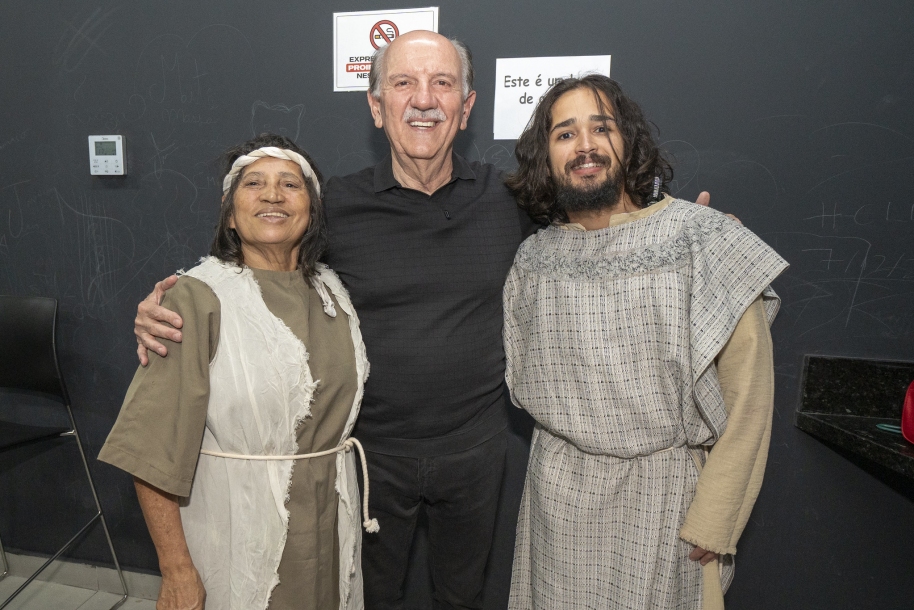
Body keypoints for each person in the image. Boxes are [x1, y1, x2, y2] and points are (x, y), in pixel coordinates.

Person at [132, 32, 713, 610]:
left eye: (442, 83)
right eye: (403, 83)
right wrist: (167, 304)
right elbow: (256, 259)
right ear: (376, 107)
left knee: (463, 598)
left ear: (466, 107)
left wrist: (681, 233)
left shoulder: (511, 200)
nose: (423, 99)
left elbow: (600, 215)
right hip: (366, 458)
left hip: (478, 452)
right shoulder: (331, 206)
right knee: (367, 598)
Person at [501, 74, 788, 610]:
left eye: (601, 127)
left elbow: (750, 394)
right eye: (565, 134)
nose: (584, 145)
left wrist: (716, 516)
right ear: (547, 155)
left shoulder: (701, 237)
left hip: (664, 500)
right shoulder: (533, 260)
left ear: (627, 140)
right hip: (556, 500)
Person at [100, 133, 373, 610]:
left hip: (329, 522)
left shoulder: (332, 291)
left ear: (312, 208)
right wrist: (177, 570)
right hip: (237, 525)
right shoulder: (197, 298)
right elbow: (151, 451)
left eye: (290, 183)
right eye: (254, 183)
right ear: (229, 212)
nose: (272, 195)